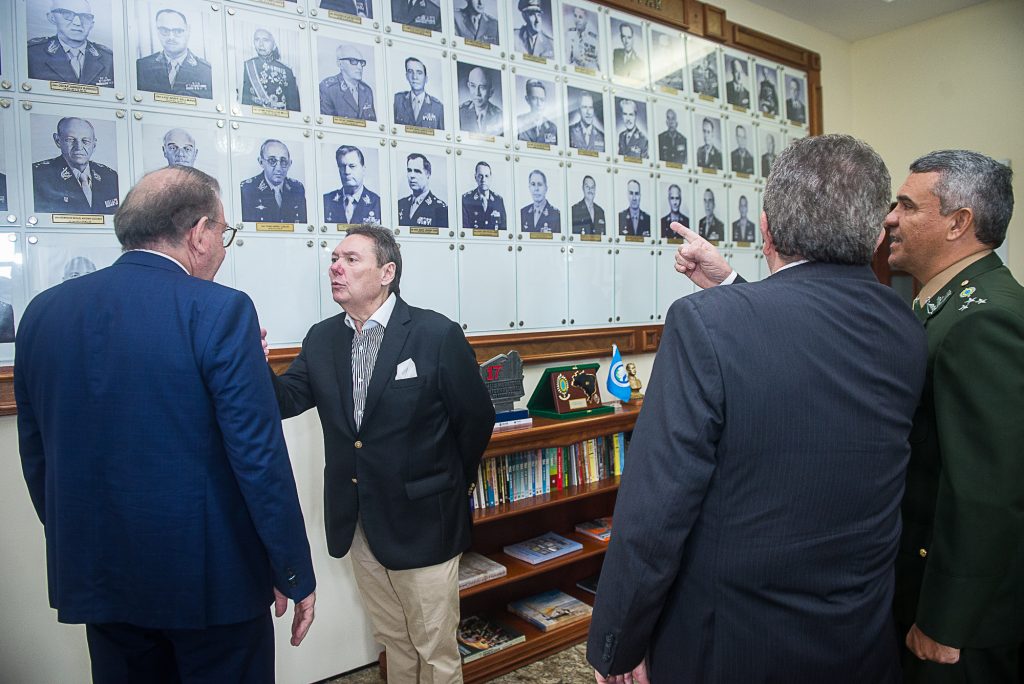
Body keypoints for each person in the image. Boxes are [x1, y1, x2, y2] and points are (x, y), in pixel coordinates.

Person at [588, 133, 927, 684]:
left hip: (730, 647)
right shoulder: (904, 327)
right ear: (872, 234)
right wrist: (732, 285)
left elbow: (655, 513)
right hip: (858, 643)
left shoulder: (706, 323)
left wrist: (617, 646)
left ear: (765, 227)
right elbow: (808, 354)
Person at [16, 165, 317, 682]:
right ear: (199, 233)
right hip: (210, 583)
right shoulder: (220, 311)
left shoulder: (43, 313)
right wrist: (290, 566)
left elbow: (37, 454)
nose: (223, 248)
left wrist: (85, 541)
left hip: (101, 575)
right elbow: (259, 458)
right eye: (224, 233)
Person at [270, 223, 494, 684]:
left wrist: (452, 482)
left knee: (435, 648)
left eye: (351, 259)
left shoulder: (435, 333)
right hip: (359, 522)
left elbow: (475, 419)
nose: (336, 267)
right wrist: (250, 360)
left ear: (387, 272)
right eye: (334, 258)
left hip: (424, 519)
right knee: (393, 639)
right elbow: (285, 400)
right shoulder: (322, 338)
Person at [886, 151, 1024, 683]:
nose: (890, 218)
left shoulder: (984, 321)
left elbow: (987, 492)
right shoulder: (946, 305)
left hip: (961, 628)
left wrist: (945, 621)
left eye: (906, 205)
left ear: (958, 222)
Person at [33, 116, 119, 215]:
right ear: (57, 141)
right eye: (70, 140)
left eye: (85, 141)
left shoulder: (109, 177)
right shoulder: (39, 176)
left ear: (94, 144)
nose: (79, 147)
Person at [28, 0, 114, 88]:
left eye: (84, 17)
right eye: (67, 14)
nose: (78, 23)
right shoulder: (32, 54)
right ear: (52, 17)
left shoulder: (108, 59)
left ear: (92, 24)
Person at [136, 9, 212, 99]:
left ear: (188, 31)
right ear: (157, 31)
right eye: (164, 31)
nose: (171, 37)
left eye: (178, 31)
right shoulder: (142, 67)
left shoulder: (206, 71)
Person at [240, 139, 307, 223]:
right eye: (272, 160)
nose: (278, 168)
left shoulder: (297, 188)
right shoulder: (247, 189)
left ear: (290, 163)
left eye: (283, 161)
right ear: (261, 162)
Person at [241, 29, 300, 112]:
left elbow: (293, 107)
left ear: (274, 45)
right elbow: (245, 101)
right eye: (257, 40)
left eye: (265, 40)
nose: (261, 44)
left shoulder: (286, 71)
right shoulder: (248, 65)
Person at [323, 145, 382, 225]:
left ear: (363, 169)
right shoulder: (326, 201)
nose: (347, 171)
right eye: (342, 166)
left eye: (352, 166)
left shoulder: (377, 203)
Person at [319, 44, 377, 121]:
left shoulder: (366, 90)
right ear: (340, 64)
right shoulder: (328, 89)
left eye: (361, 62)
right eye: (353, 61)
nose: (360, 67)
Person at [397, 153, 448, 228]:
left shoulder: (439, 208)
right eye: (409, 170)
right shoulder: (400, 204)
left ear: (428, 174)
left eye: (417, 171)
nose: (412, 176)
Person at [393, 57, 444, 130]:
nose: (414, 77)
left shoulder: (438, 107)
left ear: (426, 78)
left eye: (419, 73)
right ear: (407, 76)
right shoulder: (398, 100)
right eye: (410, 72)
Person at [458, 66, 503, 136]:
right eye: (473, 86)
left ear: (491, 92)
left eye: (482, 87)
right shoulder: (460, 113)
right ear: (468, 86)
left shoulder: (500, 116)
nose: (477, 93)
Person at [461, 161, 506, 230]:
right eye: (480, 176)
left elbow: (503, 229)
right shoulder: (466, 199)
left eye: (486, 176)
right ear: (475, 177)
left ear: (491, 177)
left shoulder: (498, 200)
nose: (483, 180)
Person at [517, 79, 557, 145]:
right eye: (534, 99)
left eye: (542, 100)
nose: (539, 104)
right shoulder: (518, 123)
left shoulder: (552, 128)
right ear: (527, 99)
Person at [565, 7, 598, 71]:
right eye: (575, 16)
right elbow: (567, 59)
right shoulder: (570, 34)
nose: (577, 20)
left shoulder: (593, 39)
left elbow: (597, 62)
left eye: (580, 17)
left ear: (586, 19)